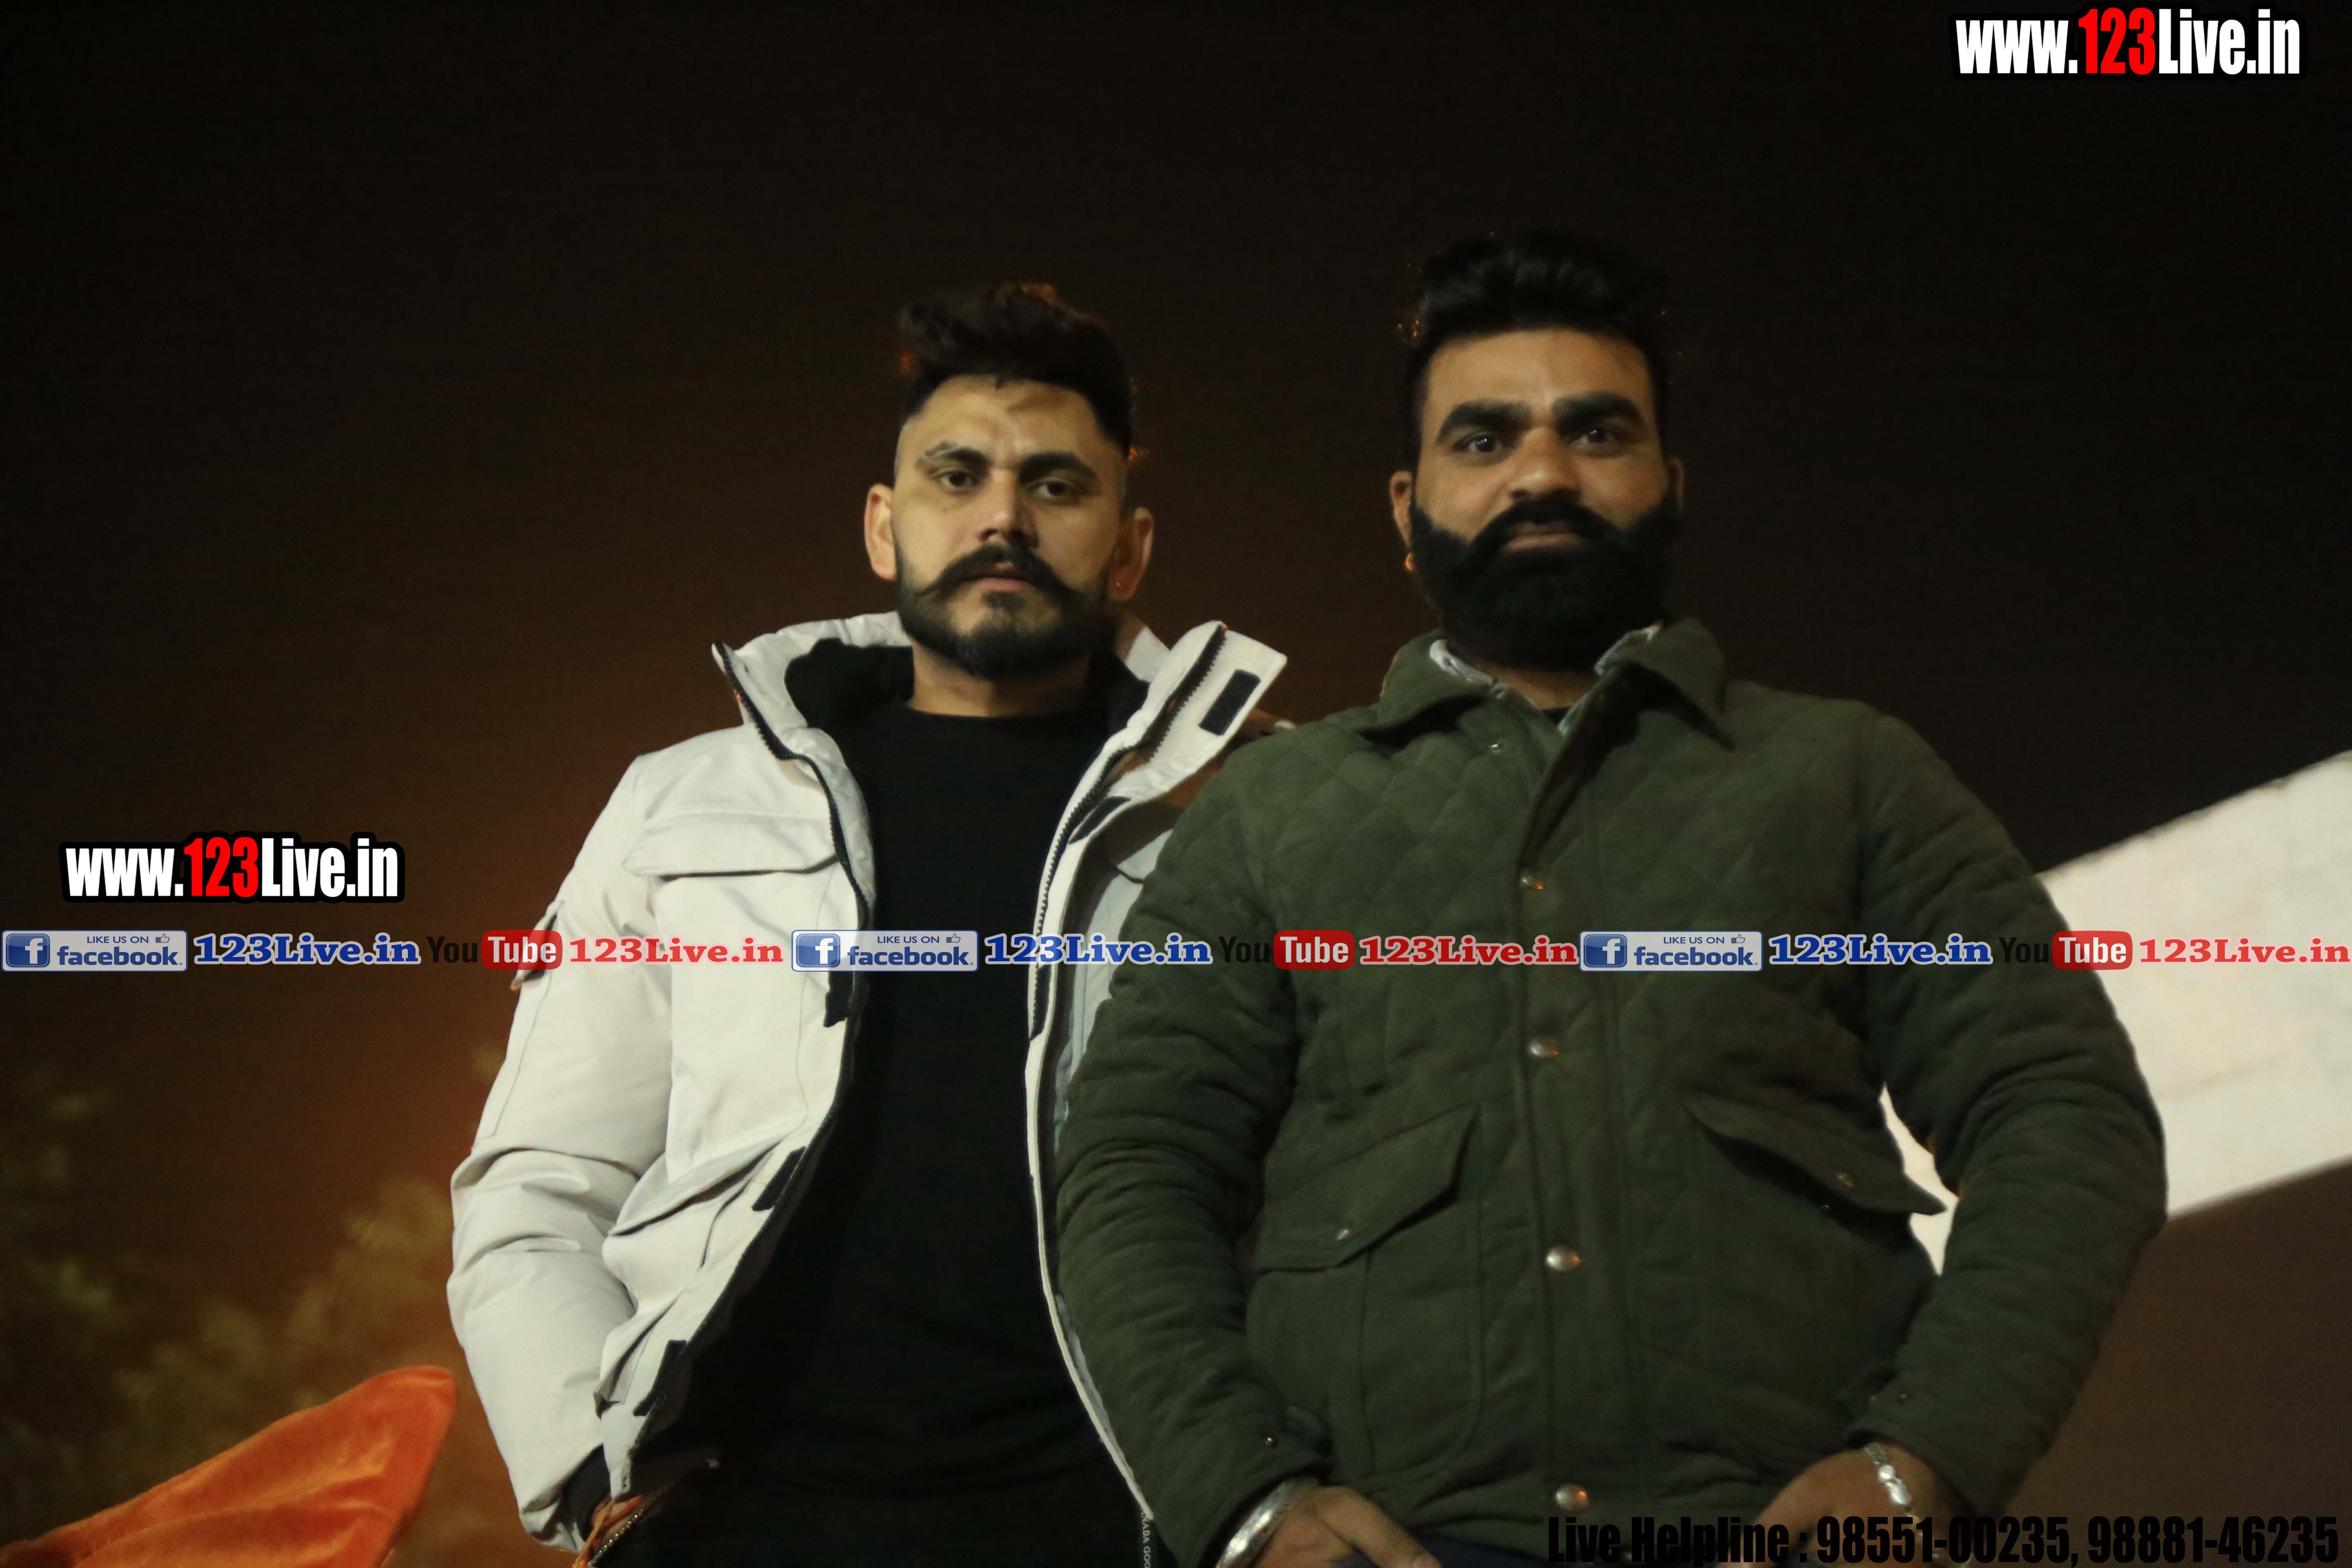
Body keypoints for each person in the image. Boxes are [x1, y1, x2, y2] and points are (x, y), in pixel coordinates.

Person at [1049, 231, 2165, 1568]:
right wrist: (1246, 1505)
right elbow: (1132, 1171)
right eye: (1483, 439)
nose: (1541, 474)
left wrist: (1922, 1462)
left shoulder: (1849, 772)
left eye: (1596, 431)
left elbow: (2062, 1107)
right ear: (1405, 506)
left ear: (1670, 483)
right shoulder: (1268, 808)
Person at [447, 282, 1285, 1566]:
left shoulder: (1264, 809)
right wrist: (602, 1478)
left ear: (1129, 550)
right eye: (957, 476)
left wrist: (1271, 1493)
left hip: (1132, 1523)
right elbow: (542, 1185)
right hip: (745, 1526)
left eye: (1056, 485)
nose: (1002, 516)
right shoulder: (684, 804)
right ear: (884, 528)